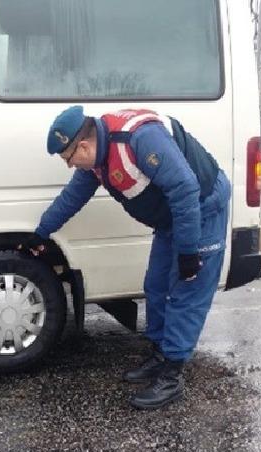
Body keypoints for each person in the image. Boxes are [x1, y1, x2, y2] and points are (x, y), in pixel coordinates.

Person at [21, 106, 231, 410]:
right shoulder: (97, 160)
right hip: (171, 219)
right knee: (156, 286)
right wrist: (41, 233)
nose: (70, 165)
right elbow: (71, 198)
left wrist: (188, 252)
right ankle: (160, 355)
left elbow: (185, 189)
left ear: (84, 146)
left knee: (186, 292)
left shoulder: (140, 139)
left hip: (202, 208)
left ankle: (172, 376)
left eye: (68, 158)